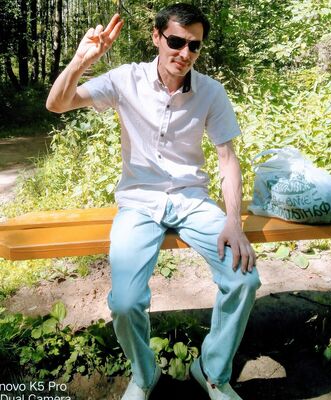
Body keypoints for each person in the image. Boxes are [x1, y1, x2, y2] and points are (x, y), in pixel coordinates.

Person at [46, 3, 260, 399]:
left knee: (244, 278)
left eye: (194, 46)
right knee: (125, 303)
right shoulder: (126, 79)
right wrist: (81, 61)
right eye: (176, 41)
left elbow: (228, 159)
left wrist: (234, 221)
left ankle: (212, 371)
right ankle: (145, 374)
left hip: (192, 200)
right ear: (157, 37)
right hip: (139, 203)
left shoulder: (210, 92)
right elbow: (57, 104)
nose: (184, 53)